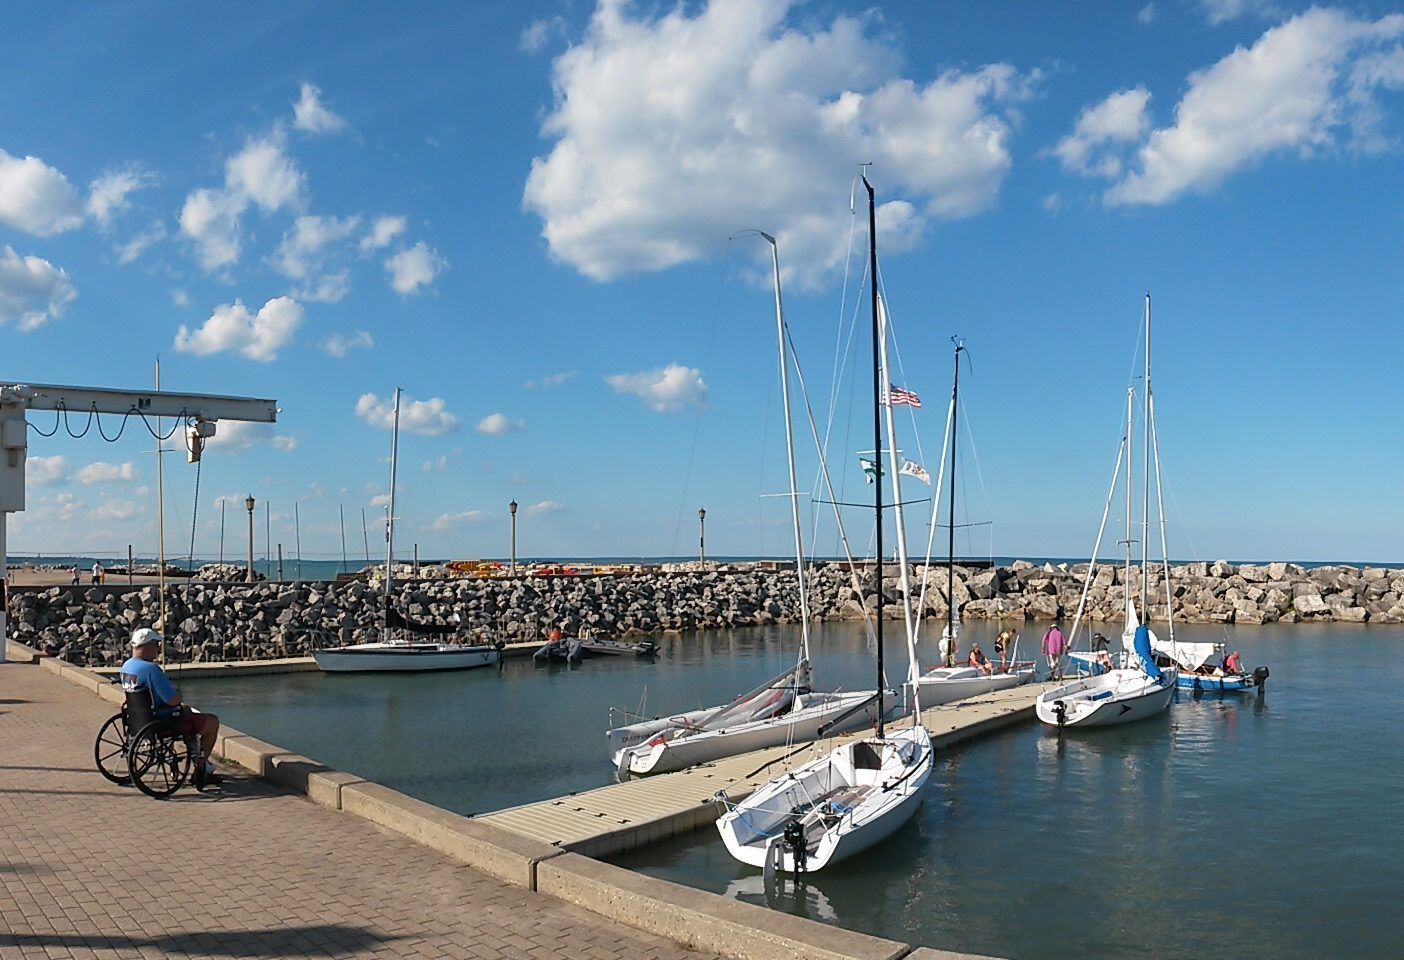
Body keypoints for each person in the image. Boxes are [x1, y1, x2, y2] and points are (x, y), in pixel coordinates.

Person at [120, 629, 220, 782]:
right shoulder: (151, 669)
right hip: (161, 720)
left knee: (186, 710)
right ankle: (201, 768)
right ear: (147, 647)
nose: (158, 649)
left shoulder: (126, 666)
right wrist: (179, 694)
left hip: (138, 719)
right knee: (212, 722)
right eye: (156, 645)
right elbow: (172, 701)